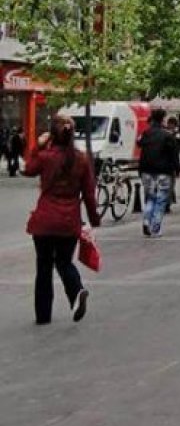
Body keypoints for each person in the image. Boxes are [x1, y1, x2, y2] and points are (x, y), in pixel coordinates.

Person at [24, 116, 98, 324]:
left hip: (45, 219)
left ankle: (43, 315)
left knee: (44, 267)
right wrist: (93, 220)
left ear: (52, 134)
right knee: (64, 262)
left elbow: (28, 169)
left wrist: (37, 147)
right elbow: (89, 193)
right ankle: (77, 291)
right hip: (69, 220)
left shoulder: (46, 156)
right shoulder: (81, 159)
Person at [138, 109, 180, 237]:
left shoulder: (146, 133)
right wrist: (177, 169)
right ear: (163, 119)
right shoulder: (168, 135)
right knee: (161, 199)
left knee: (150, 197)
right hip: (163, 170)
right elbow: (174, 154)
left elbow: (139, 143)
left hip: (146, 169)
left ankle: (146, 219)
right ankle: (155, 227)